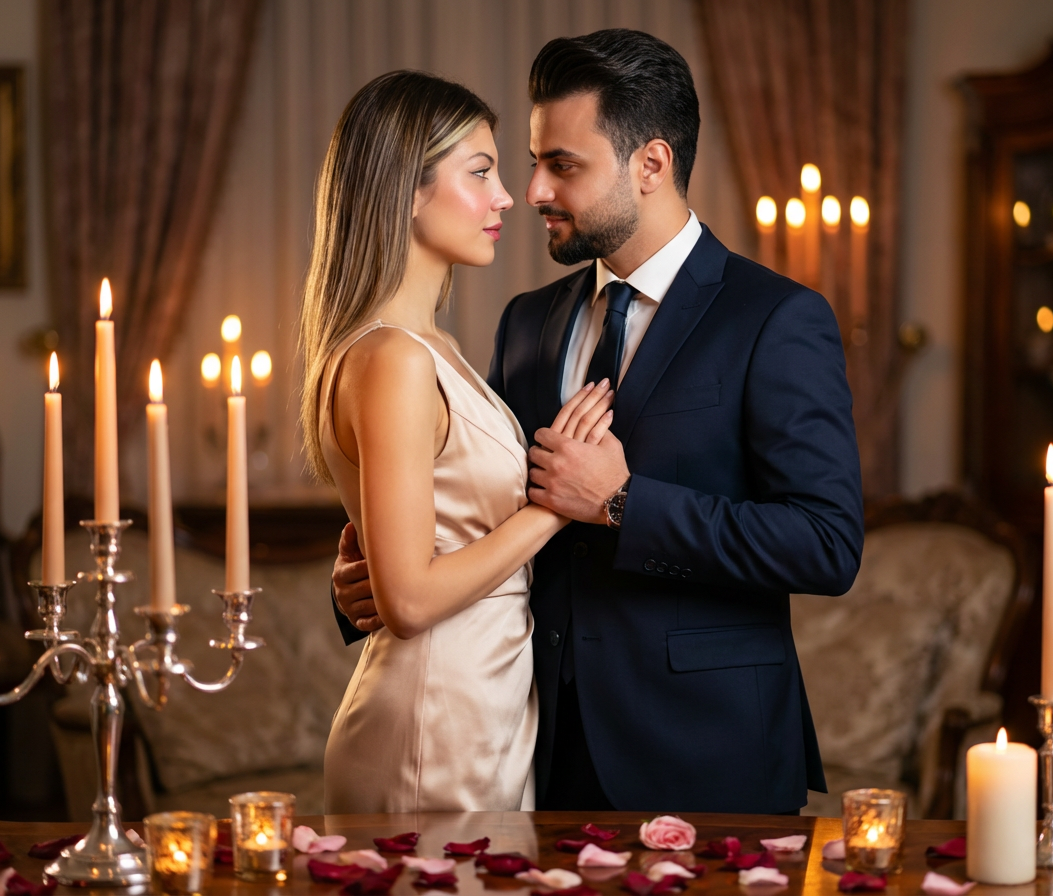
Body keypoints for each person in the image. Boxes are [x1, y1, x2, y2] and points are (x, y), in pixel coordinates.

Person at [333, 30, 864, 814]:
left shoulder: (776, 318)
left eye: (563, 166)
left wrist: (623, 502)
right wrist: (372, 580)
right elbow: (476, 498)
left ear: (650, 165)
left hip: (708, 755)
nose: (535, 190)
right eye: (534, 161)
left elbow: (827, 545)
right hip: (534, 749)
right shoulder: (527, 322)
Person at [301, 70, 617, 814]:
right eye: (480, 171)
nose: (508, 195)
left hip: (480, 704)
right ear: (406, 189)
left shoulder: (426, 345)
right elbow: (408, 600)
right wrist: (560, 505)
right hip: (432, 723)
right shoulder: (394, 360)